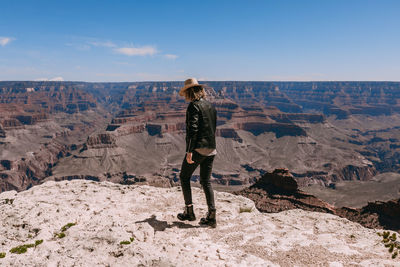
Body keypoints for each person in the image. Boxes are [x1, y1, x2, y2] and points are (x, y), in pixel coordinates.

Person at [176, 78, 217, 228]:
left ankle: (189, 212)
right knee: (206, 181)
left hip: (198, 148)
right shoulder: (210, 105)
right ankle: (211, 216)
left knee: (184, 177)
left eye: (186, 92)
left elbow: (192, 130)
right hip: (212, 148)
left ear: (189, 92)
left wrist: (189, 151)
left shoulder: (194, 106)